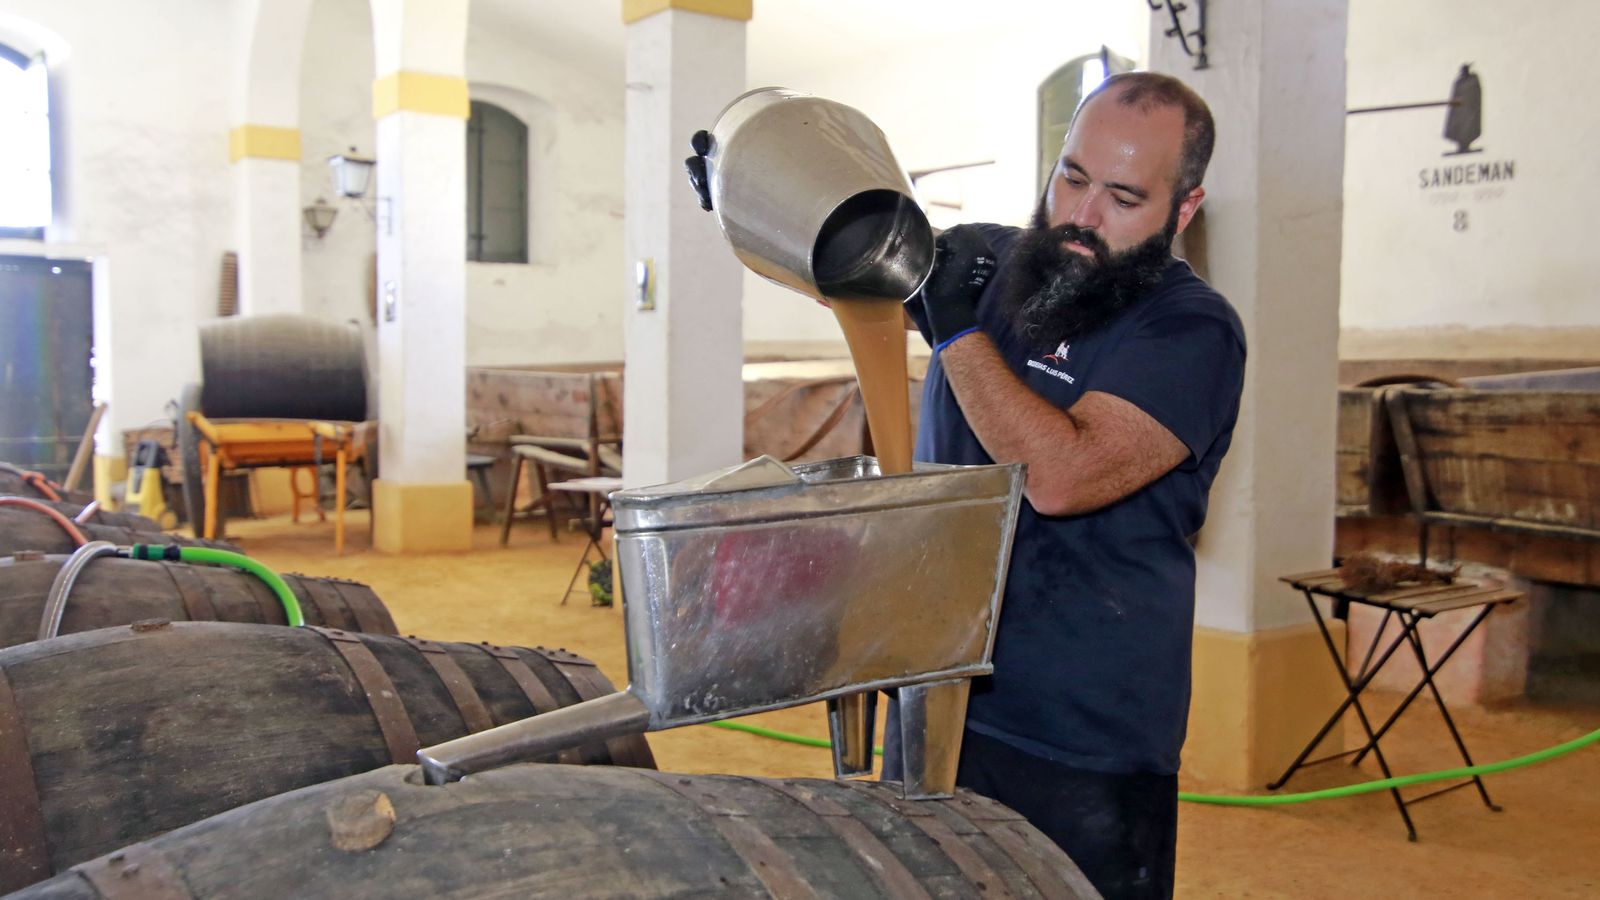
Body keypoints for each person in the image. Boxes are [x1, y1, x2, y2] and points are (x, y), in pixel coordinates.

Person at [905, 72, 1246, 899]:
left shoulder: (1191, 330)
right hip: (940, 697)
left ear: (1184, 209)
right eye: (1071, 177)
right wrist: (756, 194)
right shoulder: (1004, 273)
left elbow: (1059, 476)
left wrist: (954, 331)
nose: (1083, 217)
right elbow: (844, 255)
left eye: (1124, 197)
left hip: (1080, 735)